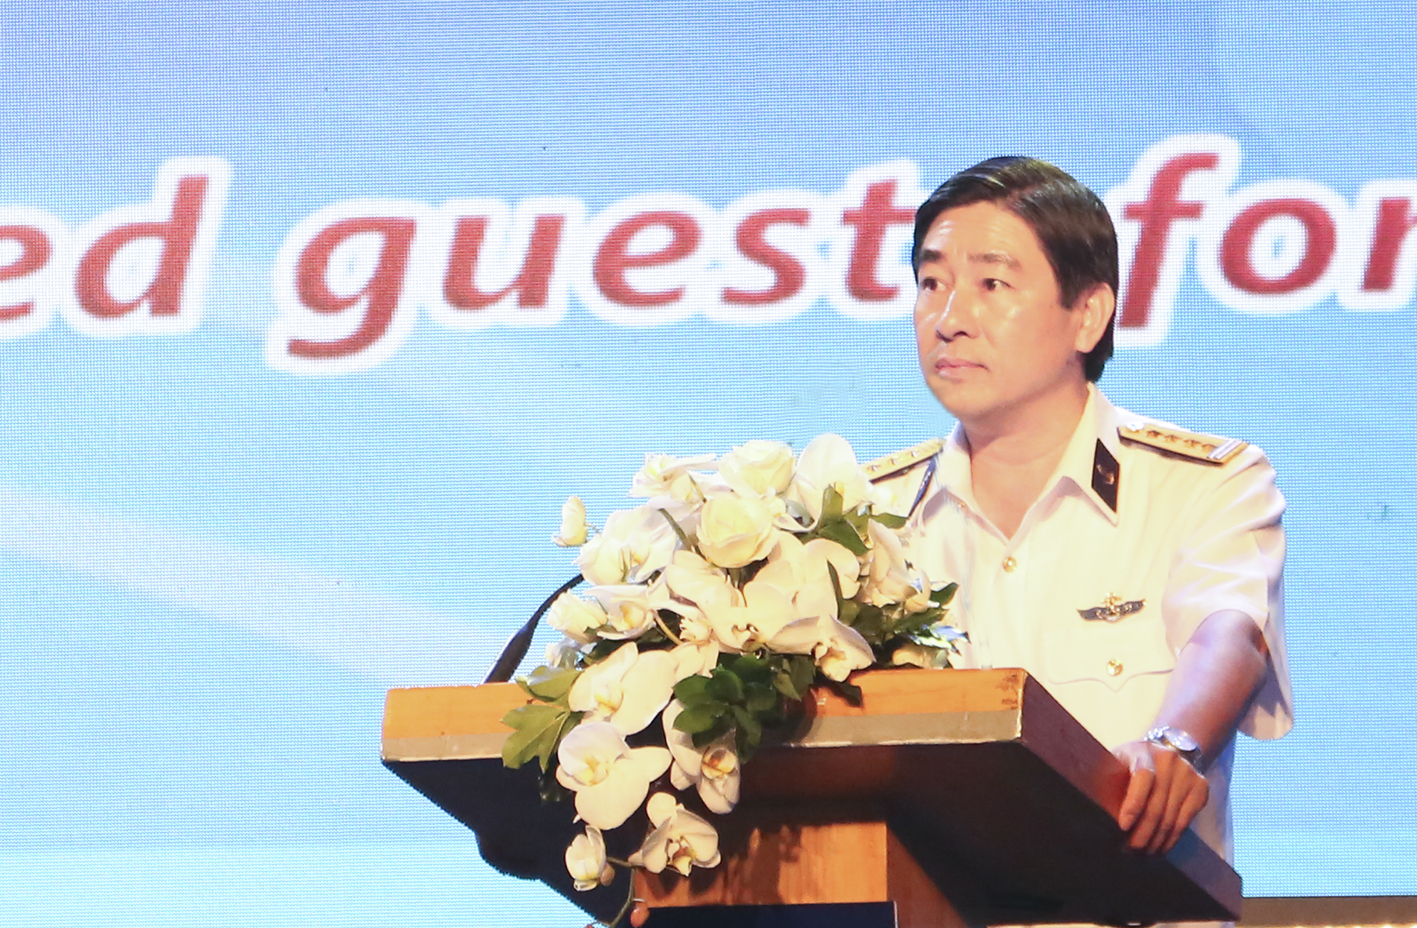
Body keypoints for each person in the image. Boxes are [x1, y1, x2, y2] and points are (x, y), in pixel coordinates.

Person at [883, 156, 1292, 862]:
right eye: (931, 284)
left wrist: (1173, 746)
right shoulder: (868, 516)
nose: (948, 320)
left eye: (990, 285)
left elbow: (1227, 635)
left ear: (1088, 315)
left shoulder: (1203, 484)